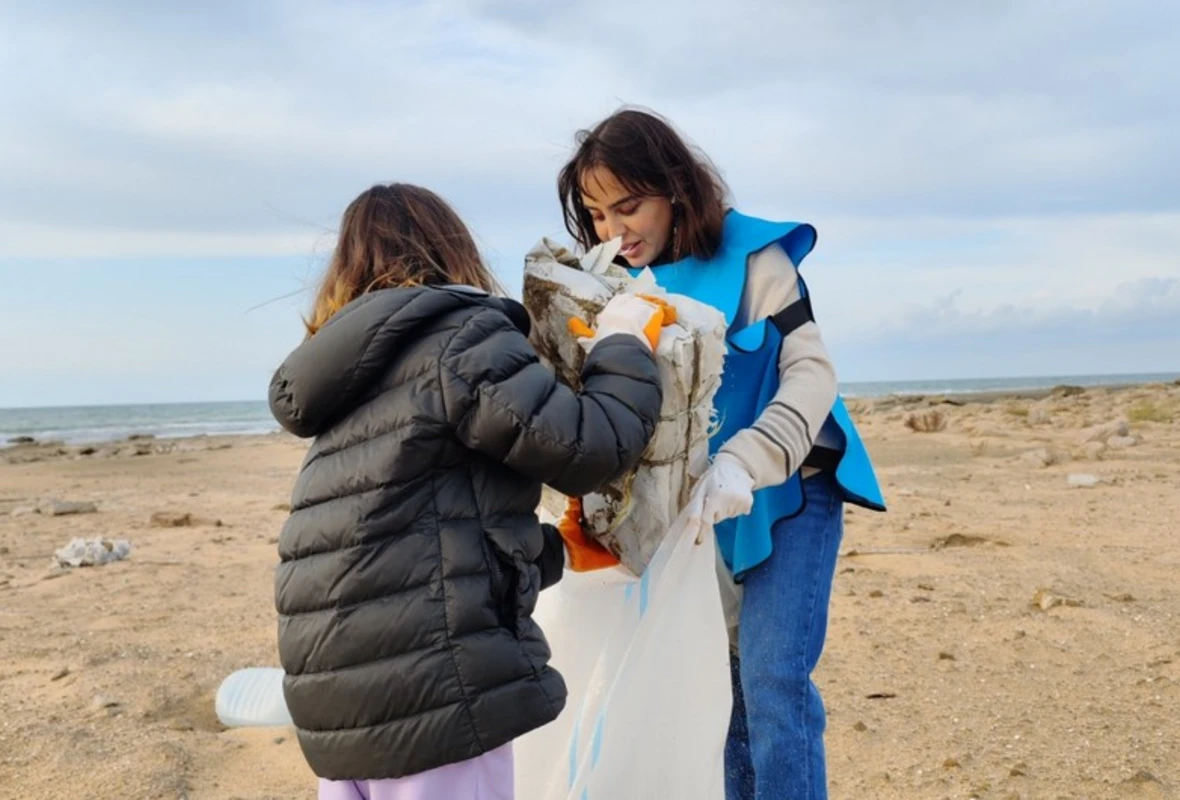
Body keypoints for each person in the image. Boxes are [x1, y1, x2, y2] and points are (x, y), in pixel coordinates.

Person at [267, 182, 673, 800]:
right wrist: (621, 341)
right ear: (449, 249)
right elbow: (587, 447)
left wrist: (556, 554)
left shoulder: (343, 377)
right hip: (433, 688)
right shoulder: (459, 338)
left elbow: (421, 537)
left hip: (332, 699)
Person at [556, 108, 887, 800]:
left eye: (629, 206)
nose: (613, 231)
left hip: (790, 491)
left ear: (675, 187)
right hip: (700, 517)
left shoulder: (754, 259)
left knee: (773, 683)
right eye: (594, 214)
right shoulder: (615, 287)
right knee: (721, 689)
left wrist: (746, 458)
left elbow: (813, 374)